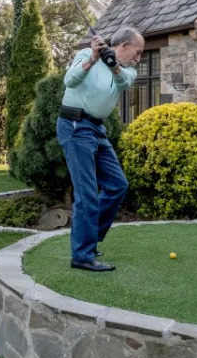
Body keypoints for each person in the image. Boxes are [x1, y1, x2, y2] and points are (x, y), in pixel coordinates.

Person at [57, 26, 145, 272]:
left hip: (97, 129)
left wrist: (113, 65)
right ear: (124, 46)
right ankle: (82, 256)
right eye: (136, 52)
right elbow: (69, 80)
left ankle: (89, 238)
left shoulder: (127, 71)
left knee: (118, 185)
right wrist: (94, 59)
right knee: (86, 193)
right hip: (75, 126)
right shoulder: (87, 55)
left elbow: (124, 83)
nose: (138, 58)